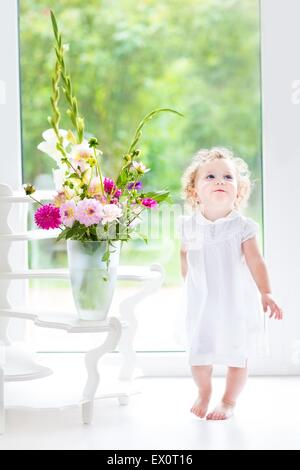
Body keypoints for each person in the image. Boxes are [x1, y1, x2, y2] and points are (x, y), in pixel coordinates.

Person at [178, 147, 283, 420]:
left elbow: (256, 261)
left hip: (235, 302)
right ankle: (204, 391)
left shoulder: (242, 227)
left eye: (228, 177)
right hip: (201, 303)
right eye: (210, 176)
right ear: (194, 191)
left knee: (238, 353)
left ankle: (228, 400)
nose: (220, 181)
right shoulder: (188, 225)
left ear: (239, 191)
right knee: (199, 352)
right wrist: (187, 282)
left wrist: (266, 292)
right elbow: (184, 255)